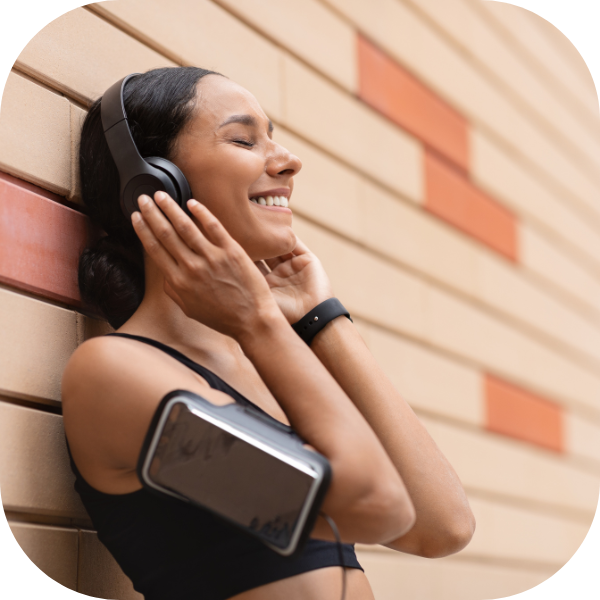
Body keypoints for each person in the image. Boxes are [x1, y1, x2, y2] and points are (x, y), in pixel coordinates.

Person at [61, 66, 475, 600]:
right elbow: (376, 508)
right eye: (243, 139)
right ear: (157, 183)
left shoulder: (271, 362)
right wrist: (258, 321)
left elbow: (440, 526)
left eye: (273, 138)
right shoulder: (114, 377)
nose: (288, 160)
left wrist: (319, 317)